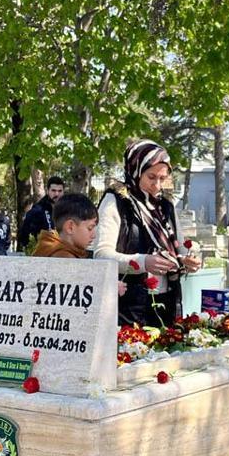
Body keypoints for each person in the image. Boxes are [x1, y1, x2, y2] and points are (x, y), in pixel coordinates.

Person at [94, 139, 201, 327]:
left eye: (162, 178)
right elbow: (101, 255)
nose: (157, 186)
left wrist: (189, 260)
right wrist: (143, 262)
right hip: (129, 307)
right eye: (151, 177)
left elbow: (180, 250)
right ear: (135, 170)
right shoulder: (117, 202)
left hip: (168, 302)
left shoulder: (165, 206)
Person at [33, 193, 97, 259]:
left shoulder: (50, 247)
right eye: (90, 228)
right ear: (70, 227)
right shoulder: (65, 258)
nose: (94, 235)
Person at [18, 176, 65, 250]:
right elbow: (25, 238)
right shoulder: (37, 211)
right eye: (53, 190)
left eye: (60, 191)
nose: (57, 194)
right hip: (43, 253)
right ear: (47, 191)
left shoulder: (68, 210)